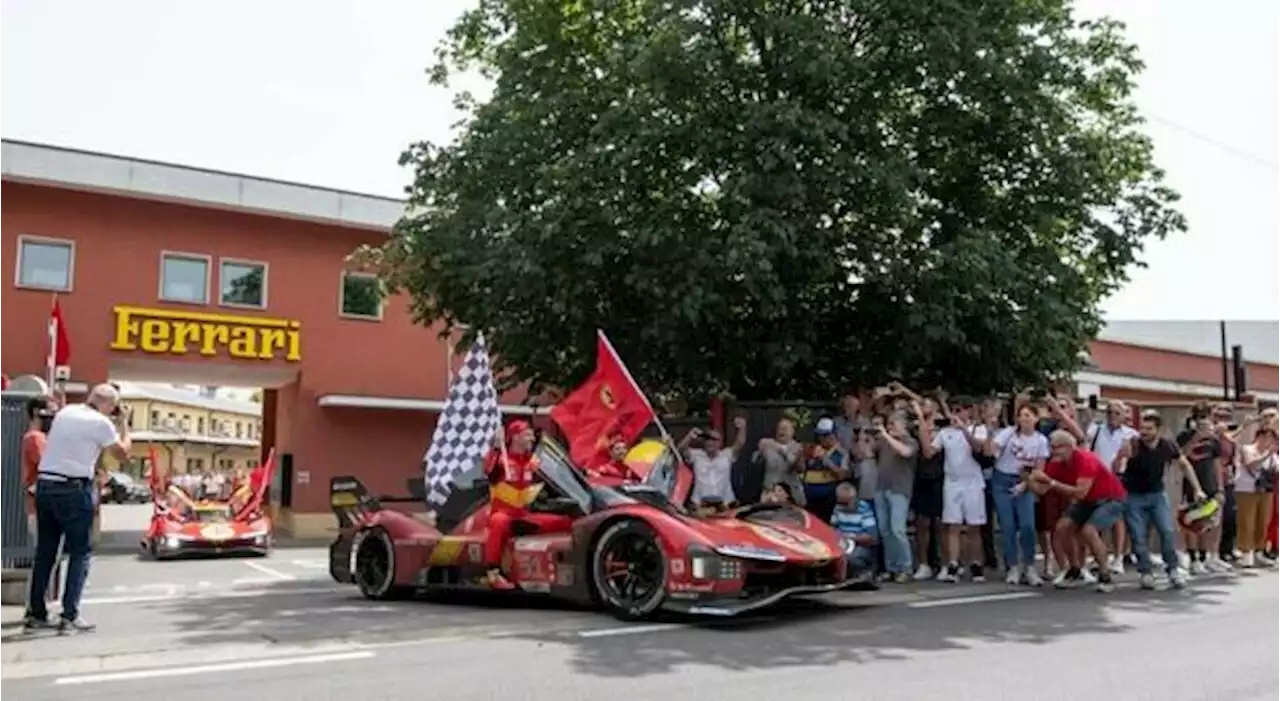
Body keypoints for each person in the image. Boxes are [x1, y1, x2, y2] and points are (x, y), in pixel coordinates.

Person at [24, 383, 133, 634]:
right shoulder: (101, 423)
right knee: (80, 552)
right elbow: (122, 454)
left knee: (46, 552)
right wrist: (124, 424)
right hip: (73, 489)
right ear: (110, 405)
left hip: (46, 484)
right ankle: (69, 615)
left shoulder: (66, 412)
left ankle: (37, 613)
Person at [1023, 431, 1128, 593]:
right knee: (1062, 527)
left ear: (1069, 447)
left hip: (1110, 498)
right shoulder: (1056, 464)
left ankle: (1105, 573)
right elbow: (1043, 490)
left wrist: (1050, 482)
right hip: (1087, 501)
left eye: (1057, 447)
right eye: (1052, 448)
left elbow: (1080, 492)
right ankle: (1075, 569)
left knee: (1089, 530)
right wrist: (1029, 480)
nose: (1054, 452)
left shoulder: (1086, 460)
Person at [481, 420, 573, 589]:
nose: (531, 438)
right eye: (527, 434)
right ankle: (493, 574)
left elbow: (555, 478)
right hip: (503, 515)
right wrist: (495, 447)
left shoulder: (533, 462)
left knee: (567, 522)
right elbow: (488, 472)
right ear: (515, 437)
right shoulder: (501, 459)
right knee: (498, 522)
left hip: (524, 516)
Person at [1122, 413, 1201, 590]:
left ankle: (1172, 569)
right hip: (1133, 495)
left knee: (1166, 530)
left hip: (1157, 494)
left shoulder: (1167, 445)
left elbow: (1185, 464)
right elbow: (1117, 467)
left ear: (1159, 430)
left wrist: (1197, 489)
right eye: (1142, 428)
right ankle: (1146, 572)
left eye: (1149, 429)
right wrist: (1122, 456)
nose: (1144, 432)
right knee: (1138, 534)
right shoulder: (1133, 444)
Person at [919, 401, 988, 583]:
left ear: (968, 411)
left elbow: (979, 447)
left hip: (973, 482)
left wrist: (964, 429)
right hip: (952, 482)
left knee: (974, 525)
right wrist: (922, 426)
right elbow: (928, 452)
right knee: (952, 525)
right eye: (954, 410)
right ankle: (952, 564)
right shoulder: (945, 433)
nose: (955, 414)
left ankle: (976, 564)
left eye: (960, 410)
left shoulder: (977, 429)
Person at [989, 404, 1050, 586]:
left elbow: (1040, 467)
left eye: (1028, 415)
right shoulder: (1009, 433)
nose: (1024, 419)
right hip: (1002, 480)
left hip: (1026, 479)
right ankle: (1012, 566)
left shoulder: (1040, 441)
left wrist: (1025, 484)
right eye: (1021, 415)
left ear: (1036, 418)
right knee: (1007, 526)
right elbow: (994, 447)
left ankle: (1030, 566)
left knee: (1027, 525)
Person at [1177, 411, 1231, 574]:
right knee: (1191, 522)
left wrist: (1220, 487)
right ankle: (1193, 559)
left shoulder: (1214, 442)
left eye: (1207, 425)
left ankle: (1204, 556)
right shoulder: (1185, 436)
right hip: (1191, 486)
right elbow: (1181, 456)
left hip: (1210, 485)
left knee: (1207, 522)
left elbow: (1216, 465)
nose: (1205, 428)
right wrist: (1196, 438)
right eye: (1201, 424)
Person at [873, 412, 918, 583]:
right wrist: (863, 437)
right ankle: (891, 567)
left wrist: (885, 435)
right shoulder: (884, 442)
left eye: (894, 423)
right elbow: (867, 453)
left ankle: (905, 567)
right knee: (885, 531)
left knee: (897, 529)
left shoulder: (910, 442)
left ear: (904, 426)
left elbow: (905, 452)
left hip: (899, 490)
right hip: (881, 488)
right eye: (889, 423)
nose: (890, 426)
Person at [1234, 426, 1277, 568]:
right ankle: (1245, 552)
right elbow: (1250, 464)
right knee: (1247, 521)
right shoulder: (1248, 449)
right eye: (1267, 437)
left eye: (1271, 438)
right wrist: (1266, 455)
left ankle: (1259, 550)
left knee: (1263, 520)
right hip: (1247, 489)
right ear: (1259, 437)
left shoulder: (1272, 454)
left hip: (1265, 489)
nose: (1269, 441)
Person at [681, 417, 746, 507]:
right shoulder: (696, 455)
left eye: (715, 440)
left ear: (720, 443)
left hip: (725, 503)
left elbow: (740, 443)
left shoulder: (726, 454)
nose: (711, 442)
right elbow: (681, 449)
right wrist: (689, 436)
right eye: (708, 439)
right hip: (699, 503)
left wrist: (742, 428)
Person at [801, 418, 851, 521]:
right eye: (820, 435)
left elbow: (842, 475)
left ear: (833, 434)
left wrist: (827, 461)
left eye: (826, 435)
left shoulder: (841, 453)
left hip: (828, 498)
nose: (822, 438)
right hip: (809, 497)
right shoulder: (813, 449)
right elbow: (801, 469)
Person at [831, 482, 877, 577]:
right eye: (841, 502)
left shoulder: (864, 509)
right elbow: (832, 528)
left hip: (860, 544)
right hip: (842, 543)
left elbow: (871, 537)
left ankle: (865, 571)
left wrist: (851, 537)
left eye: (846, 503)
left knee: (852, 558)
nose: (844, 506)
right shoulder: (837, 508)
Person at [756, 418, 804, 506]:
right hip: (770, 491)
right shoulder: (767, 444)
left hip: (791, 493)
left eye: (785, 428)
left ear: (792, 432)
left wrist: (783, 452)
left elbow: (801, 469)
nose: (782, 431)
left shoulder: (797, 447)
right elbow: (755, 462)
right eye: (780, 428)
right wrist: (759, 451)